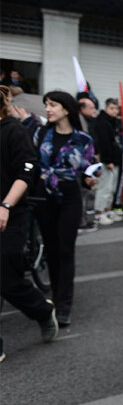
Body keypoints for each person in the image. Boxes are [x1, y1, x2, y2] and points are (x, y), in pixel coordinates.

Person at [0, 85, 58, 354]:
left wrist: (6, 205)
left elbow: (25, 173)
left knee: (9, 280)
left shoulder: (14, 131)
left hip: (10, 215)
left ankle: (43, 311)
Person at [33, 91, 98, 327]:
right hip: (44, 196)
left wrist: (90, 179)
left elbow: (88, 170)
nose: (48, 109)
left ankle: (64, 305)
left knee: (65, 249)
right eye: (46, 105)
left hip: (70, 196)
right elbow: (31, 164)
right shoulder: (40, 134)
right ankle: (56, 295)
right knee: (51, 249)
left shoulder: (83, 139)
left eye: (53, 105)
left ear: (67, 109)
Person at [91, 98, 123, 224]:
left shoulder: (114, 122)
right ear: (106, 108)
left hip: (115, 159)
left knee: (112, 188)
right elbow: (103, 143)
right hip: (108, 160)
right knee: (105, 187)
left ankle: (107, 211)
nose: (115, 111)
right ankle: (99, 213)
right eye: (112, 108)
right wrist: (107, 160)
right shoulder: (102, 122)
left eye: (116, 108)